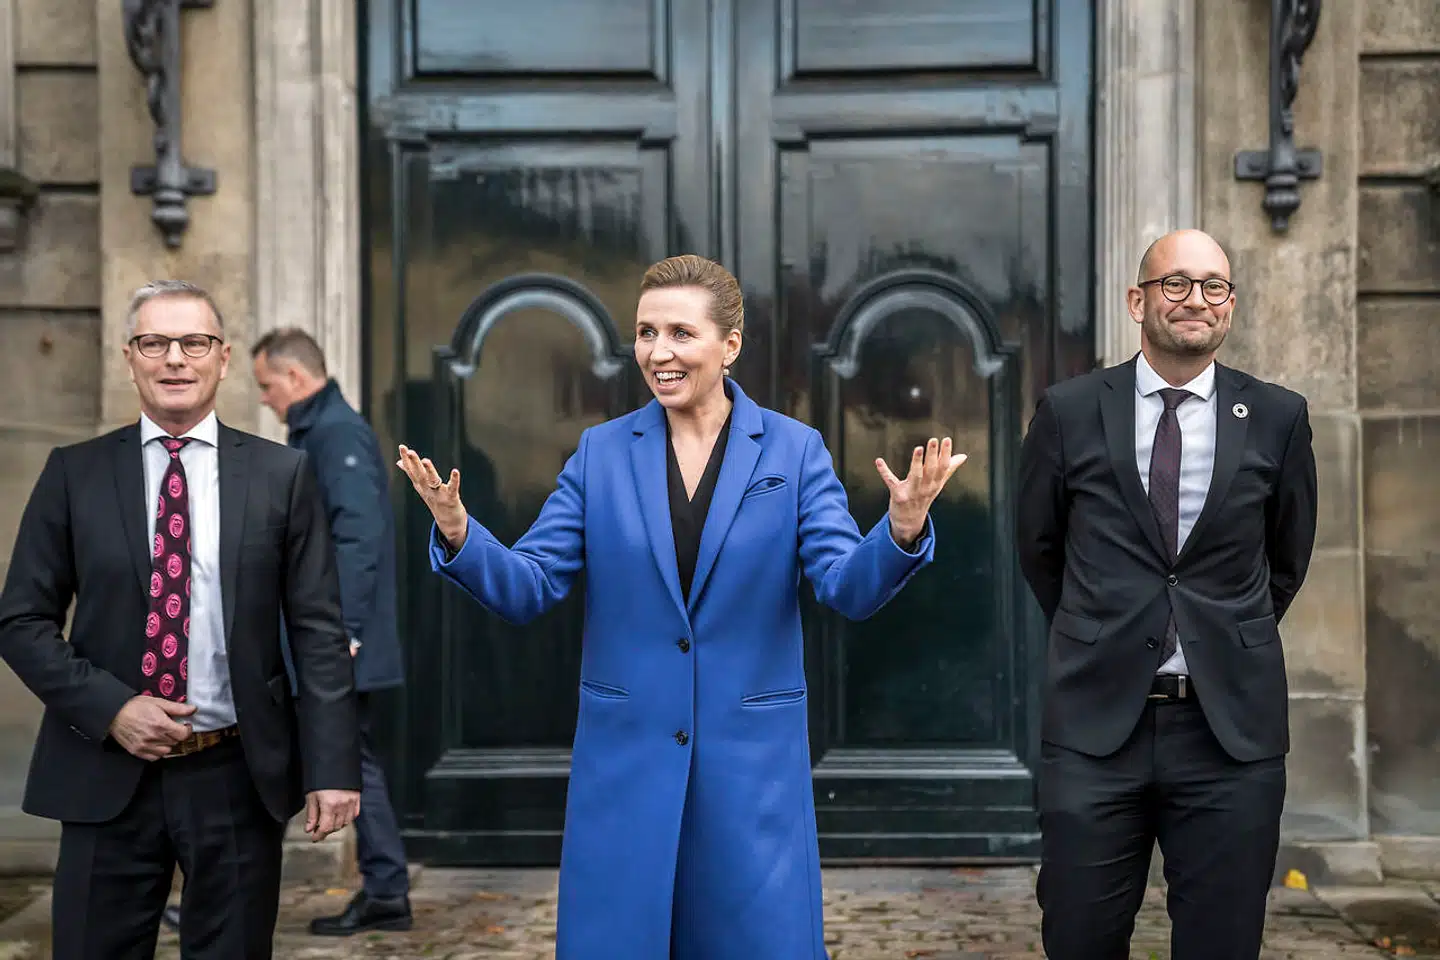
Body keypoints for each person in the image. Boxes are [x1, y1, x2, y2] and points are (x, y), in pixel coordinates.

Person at [396, 254, 966, 958]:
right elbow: (529, 585)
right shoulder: (601, 454)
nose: (658, 352)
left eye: (680, 333)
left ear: (730, 345)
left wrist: (901, 529)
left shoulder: (794, 451)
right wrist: (459, 532)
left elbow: (846, 586)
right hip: (627, 764)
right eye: (646, 333)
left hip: (751, 771)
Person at [0, 280, 362, 959]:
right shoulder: (74, 473)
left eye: (193, 342)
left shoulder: (283, 475)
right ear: (128, 358)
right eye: (154, 343)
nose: (174, 359)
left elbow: (317, 631)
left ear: (222, 358)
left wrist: (333, 766)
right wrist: (112, 708)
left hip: (236, 773)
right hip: (104, 770)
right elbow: (20, 621)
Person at [1016, 229, 1317, 959]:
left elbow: (1287, 558)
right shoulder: (1068, 410)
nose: (1195, 300)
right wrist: (1105, 632)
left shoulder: (1277, 416)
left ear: (1230, 305)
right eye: (1174, 283)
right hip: (1095, 727)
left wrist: (1218, 635)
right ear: (1137, 301)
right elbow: (1039, 549)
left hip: (1229, 734)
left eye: (1214, 285)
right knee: (1080, 937)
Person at [252, 328, 411, 934]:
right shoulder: (321, 430)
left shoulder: (336, 433)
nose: (264, 398)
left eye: (267, 385)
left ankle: (386, 890)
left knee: (342, 758)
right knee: (329, 757)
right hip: (328, 637)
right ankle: (385, 889)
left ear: (295, 378)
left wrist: (340, 631)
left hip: (335, 641)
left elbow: (358, 535)